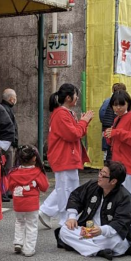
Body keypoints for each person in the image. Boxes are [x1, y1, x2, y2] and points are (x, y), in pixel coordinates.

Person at [56, 161, 131, 259]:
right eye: (100, 172)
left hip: (107, 234)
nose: (99, 176)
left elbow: (121, 222)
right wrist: (72, 217)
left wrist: (101, 230)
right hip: (88, 230)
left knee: (116, 240)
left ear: (113, 181)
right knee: (64, 230)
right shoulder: (92, 185)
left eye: (103, 175)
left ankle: (85, 247)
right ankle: (99, 251)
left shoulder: (125, 197)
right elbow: (76, 196)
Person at [39, 84, 92, 229]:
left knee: (65, 188)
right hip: (64, 156)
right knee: (66, 189)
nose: (77, 98)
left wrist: (83, 122)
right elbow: (74, 134)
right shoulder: (62, 114)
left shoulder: (65, 113)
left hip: (66, 156)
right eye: (76, 95)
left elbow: (77, 132)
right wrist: (84, 121)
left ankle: (47, 212)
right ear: (68, 98)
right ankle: (64, 219)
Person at [104, 90, 131, 240]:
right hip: (120, 163)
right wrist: (110, 136)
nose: (118, 108)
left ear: (128, 103)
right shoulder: (120, 119)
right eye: (115, 105)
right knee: (126, 196)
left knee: (129, 196)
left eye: (121, 104)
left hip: (126, 163)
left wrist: (116, 133)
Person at [7, 145, 49, 257]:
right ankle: (29, 249)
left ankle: (18, 242)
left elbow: (9, 187)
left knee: (19, 222)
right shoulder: (38, 172)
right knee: (31, 225)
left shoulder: (13, 172)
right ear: (34, 158)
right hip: (31, 204)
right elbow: (44, 187)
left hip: (18, 203)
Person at [99, 83, 126, 161]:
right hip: (112, 127)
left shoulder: (107, 100)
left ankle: (106, 166)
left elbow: (102, 112)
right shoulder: (122, 102)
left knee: (106, 150)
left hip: (106, 127)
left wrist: (104, 122)